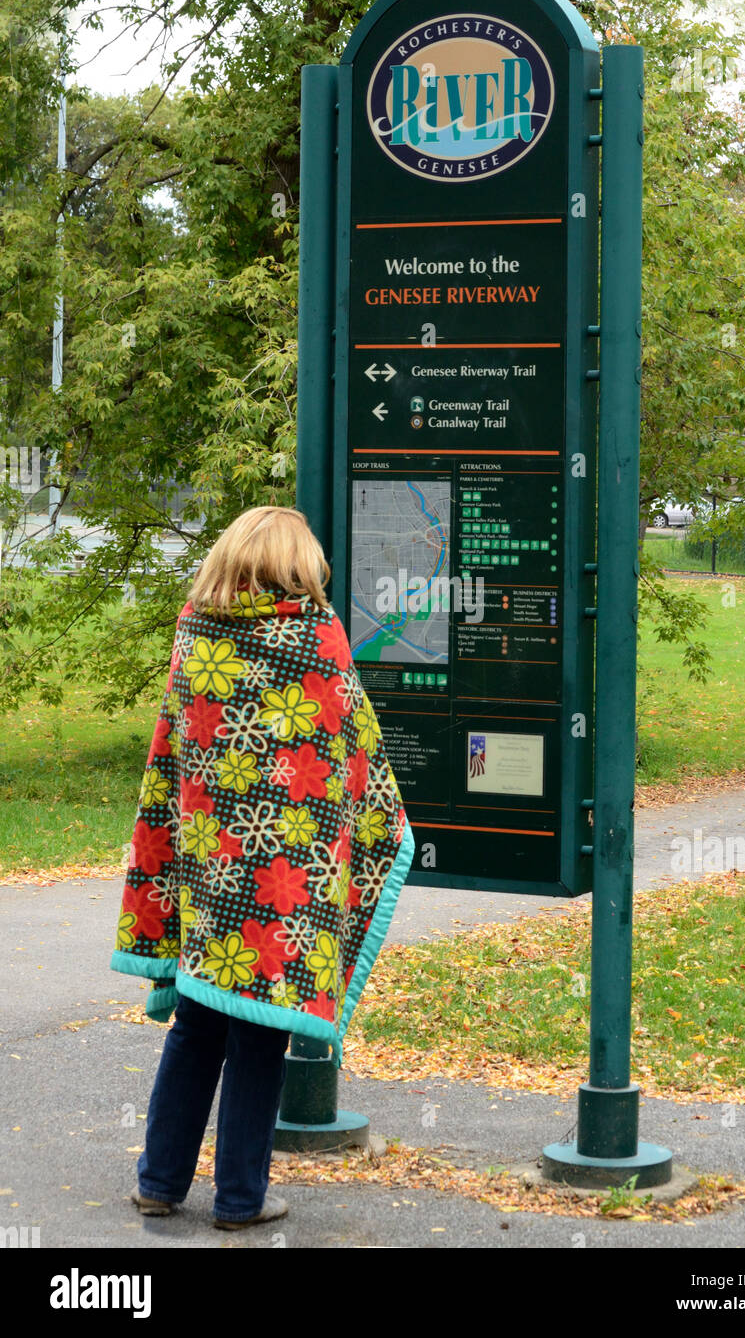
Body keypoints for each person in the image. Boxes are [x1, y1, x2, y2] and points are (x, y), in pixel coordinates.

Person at [111, 505, 414, 1229]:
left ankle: (159, 1182)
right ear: (294, 568)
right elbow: (353, 757)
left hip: (212, 875)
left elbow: (174, 761)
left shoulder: (193, 636)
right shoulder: (315, 639)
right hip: (286, 884)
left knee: (197, 1024)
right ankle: (240, 1199)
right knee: (260, 1036)